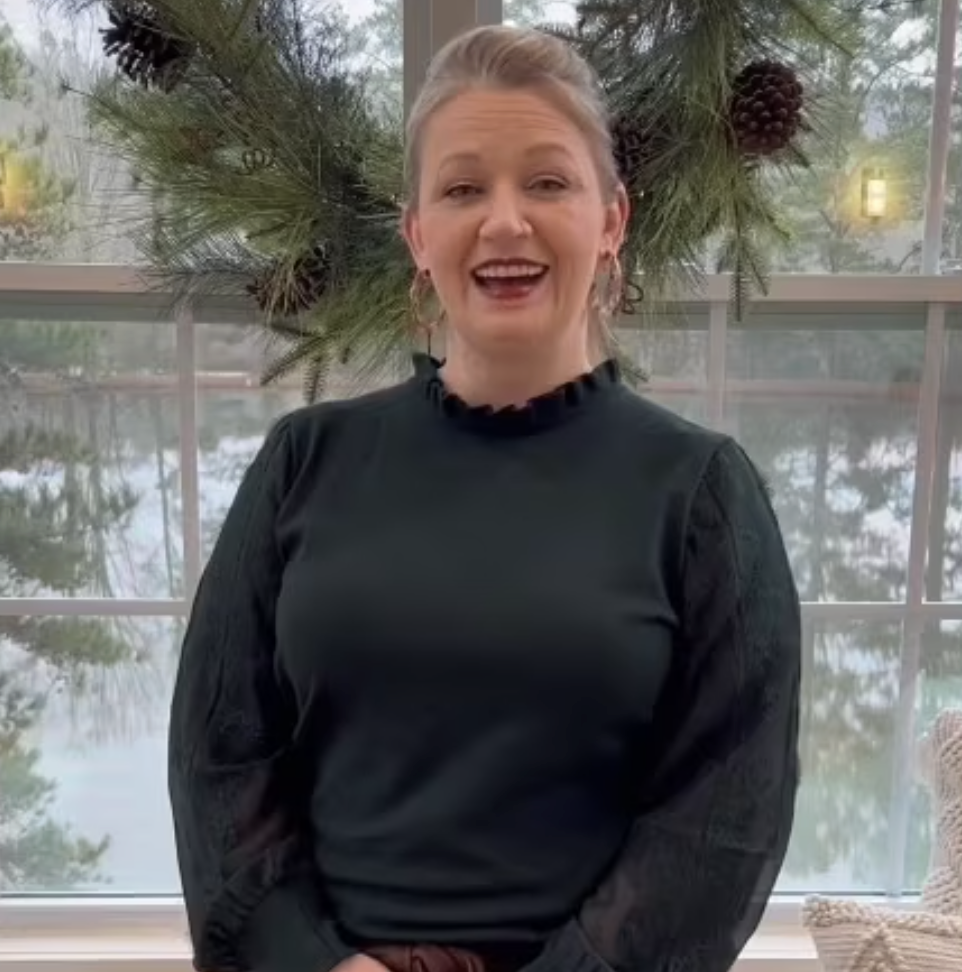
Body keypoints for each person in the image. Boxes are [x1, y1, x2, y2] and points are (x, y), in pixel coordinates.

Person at [168, 23, 801, 972]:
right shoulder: (304, 461)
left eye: (547, 182)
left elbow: (723, 815)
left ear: (612, 221)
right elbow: (218, 758)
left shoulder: (703, 495)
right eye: (463, 189)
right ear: (418, 235)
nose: (505, 222)